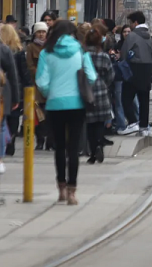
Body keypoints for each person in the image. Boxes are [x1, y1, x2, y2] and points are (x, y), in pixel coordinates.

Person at [35, 19, 97, 205]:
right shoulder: (80, 51)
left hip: (54, 105)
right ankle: (72, 191)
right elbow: (92, 77)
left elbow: (41, 81)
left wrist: (50, 93)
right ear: (73, 33)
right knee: (73, 147)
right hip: (76, 104)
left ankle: (61, 188)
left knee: (59, 147)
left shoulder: (47, 52)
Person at [119, 11, 152, 137]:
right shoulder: (149, 36)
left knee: (126, 98)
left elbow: (124, 53)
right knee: (144, 99)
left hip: (133, 69)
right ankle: (144, 127)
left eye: (131, 23)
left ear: (135, 22)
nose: (130, 25)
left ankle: (133, 122)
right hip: (146, 70)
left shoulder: (132, 36)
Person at [84, 23, 115, 164]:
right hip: (101, 91)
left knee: (90, 124)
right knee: (100, 123)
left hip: (86, 91)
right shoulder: (104, 57)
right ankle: (99, 145)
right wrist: (104, 85)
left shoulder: (83, 55)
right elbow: (111, 75)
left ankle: (92, 151)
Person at [1, 24, 31, 157]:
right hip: (12, 88)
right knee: (12, 118)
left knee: (3, 121)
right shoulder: (17, 51)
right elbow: (19, 74)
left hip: (3, 88)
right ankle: (10, 141)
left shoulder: (5, 50)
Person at [26, 22, 52, 150]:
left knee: (49, 114)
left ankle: (50, 141)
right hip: (36, 84)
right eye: (39, 32)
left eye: (43, 32)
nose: (41, 34)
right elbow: (29, 65)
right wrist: (39, 72)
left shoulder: (50, 46)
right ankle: (40, 140)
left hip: (50, 84)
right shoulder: (31, 47)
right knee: (38, 114)